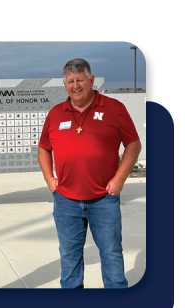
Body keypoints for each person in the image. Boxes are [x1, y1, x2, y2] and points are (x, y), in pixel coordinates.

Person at [38, 58, 141, 289]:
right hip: (65, 200)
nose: (75, 85)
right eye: (70, 81)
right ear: (64, 84)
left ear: (91, 80)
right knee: (69, 255)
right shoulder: (56, 113)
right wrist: (49, 179)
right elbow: (44, 148)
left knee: (112, 253)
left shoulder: (114, 108)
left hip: (104, 199)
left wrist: (120, 179)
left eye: (80, 80)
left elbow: (133, 144)